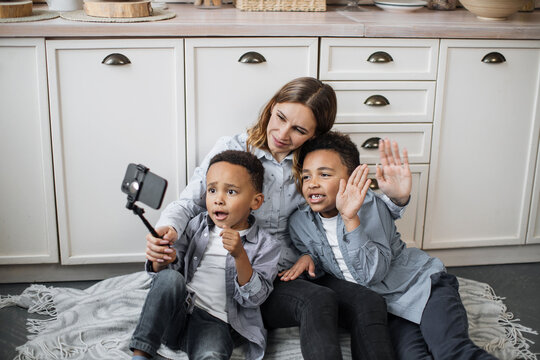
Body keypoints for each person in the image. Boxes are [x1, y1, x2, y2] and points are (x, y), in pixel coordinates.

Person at [145, 77, 411, 359]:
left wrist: (396, 200)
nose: (283, 134)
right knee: (317, 300)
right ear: (272, 107)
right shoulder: (233, 148)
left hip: (292, 271)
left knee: (367, 301)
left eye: (298, 129)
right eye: (280, 117)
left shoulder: (311, 166)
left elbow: (353, 203)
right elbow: (190, 201)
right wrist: (168, 228)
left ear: (315, 134)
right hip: (244, 275)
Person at [287, 130, 498, 360]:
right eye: (307, 176)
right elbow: (324, 255)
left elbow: (372, 274)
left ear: (352, 178)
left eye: (324, 175)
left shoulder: (368, 207)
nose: (312, 184)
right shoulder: (299, 222)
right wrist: (309, 257)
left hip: (423, 288)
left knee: (451, 350)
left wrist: (350, 219)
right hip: (389, 310)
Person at [130, 150, 281, 360]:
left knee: (212, 353)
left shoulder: (266, 246)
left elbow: (254, 298)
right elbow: (164, 278)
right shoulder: (196, 226)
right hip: (176, 314)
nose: (218, 199)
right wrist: (161, 260)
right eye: (212, 190)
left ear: (255, 202)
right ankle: (140, 353)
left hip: (214, 322)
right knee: (170, 278)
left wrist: (240, 256)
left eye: (231, 192)